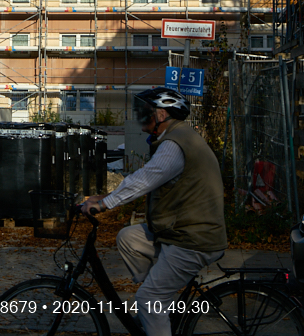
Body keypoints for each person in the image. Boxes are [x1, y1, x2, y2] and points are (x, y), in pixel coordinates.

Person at [81, 87, 226, 336]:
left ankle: (154, 306)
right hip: (178, 232)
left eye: (144, 111)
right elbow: (144, 180)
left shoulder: (174, 144)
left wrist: (105, 204)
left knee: (147, 300)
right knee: (128, 238)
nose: (140, 116)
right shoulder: (176, 137)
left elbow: (143, 181)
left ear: (160, 114)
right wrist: (103, 197)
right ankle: (158, 307)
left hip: (192, 240)